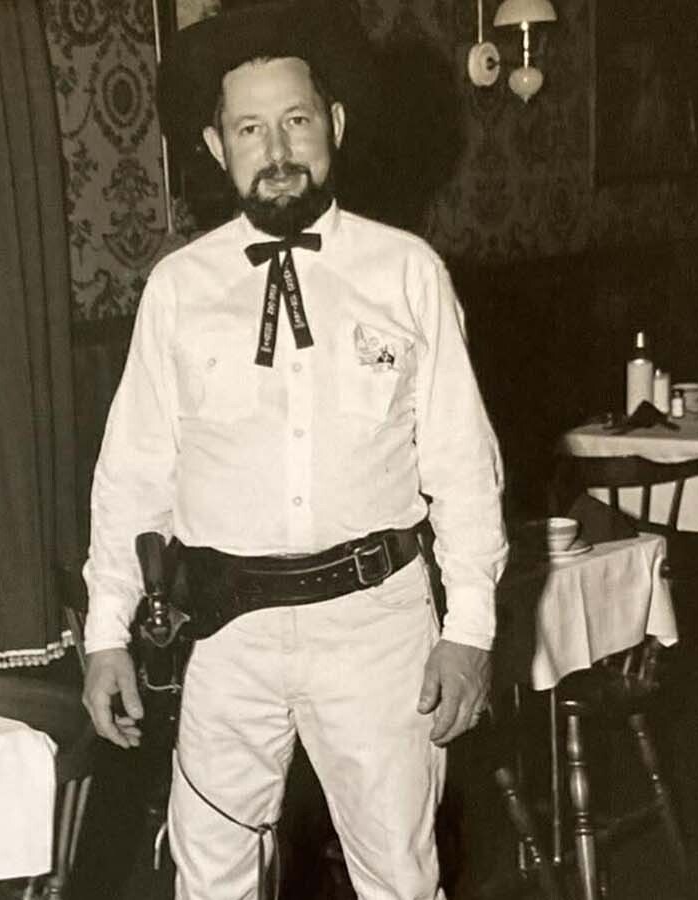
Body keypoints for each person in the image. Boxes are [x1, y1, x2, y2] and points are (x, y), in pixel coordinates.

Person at [79, 2, 508, 897]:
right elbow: (133, 476)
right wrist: (106, 633)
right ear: (216, 146)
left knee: (399, 877)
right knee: (211, 877)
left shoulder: (408, 273)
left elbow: (465, 468)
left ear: (335, 126)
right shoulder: (177, 290)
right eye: (250, 128)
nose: (277, 150)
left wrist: (468, 631)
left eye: (297, 120)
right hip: (225, 632)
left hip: (377, 629)